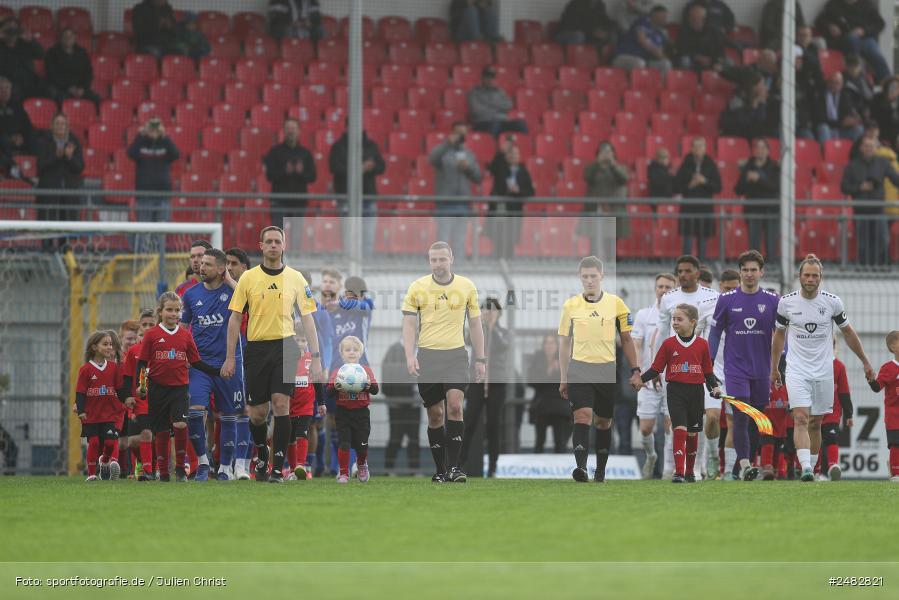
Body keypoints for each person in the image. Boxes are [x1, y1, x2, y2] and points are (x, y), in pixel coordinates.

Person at [221, 226, 323, 483]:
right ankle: (262, 452)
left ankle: (277, 467)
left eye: (278, 241)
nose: (274, 245)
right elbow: (235, 318)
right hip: (256, 349)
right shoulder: (248, 278)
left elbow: (308, 319)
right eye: (269, 241)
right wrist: (230, 356)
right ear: (262, 246)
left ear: (284, 246)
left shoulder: (297, 279)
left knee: (281, 404)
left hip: (286, 347)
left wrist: (316, 356)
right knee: (256, 413)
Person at [770, 254, 875, 482]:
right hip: (796, 369)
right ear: (799, 276)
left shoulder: (832, 302)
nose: (810, 279)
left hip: (823, 371)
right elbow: (778, 335)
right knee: (800, 418)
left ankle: (814, 468)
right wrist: (775, 366)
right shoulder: (786, 303)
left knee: (816, 422)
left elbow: (848, 333)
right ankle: (806, 467)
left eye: (814, 275)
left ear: (821, 278)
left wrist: (865, 360)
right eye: (806, 275)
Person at [402, 241, 486, 483]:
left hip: (456, 355)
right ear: (429, 261)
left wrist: (481, 359)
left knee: (455, 407)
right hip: (428, 356)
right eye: (433, 260)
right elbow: (409, 324)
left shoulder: (466, 286)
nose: (438, 264)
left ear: (451, 259)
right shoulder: (417, 287)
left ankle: (455, 468)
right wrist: (410, 355)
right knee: (436, 414)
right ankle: (440, 470)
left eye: (442, 259)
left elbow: (476, 324)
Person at [559, 256, 640, 483]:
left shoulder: (617, 304)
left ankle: (601, 470)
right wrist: (564, 377)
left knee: (603, 422)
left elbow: (626, 339)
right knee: (582, 416)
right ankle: (581, 468)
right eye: (585, 276)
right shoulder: (570, 305)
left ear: (602, 276)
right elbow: (564, 343)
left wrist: (635, 369)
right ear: (580, 278)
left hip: (606, 370)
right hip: (579, 368)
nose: (589, 280)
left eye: (593, 276)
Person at [707, 251, 780, 480]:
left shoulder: (772, 300)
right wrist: (708, 361)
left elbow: (781, 334)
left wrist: (780, 362)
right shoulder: (727, 299)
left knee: (756, 417)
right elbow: (716, 331)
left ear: (761, 272)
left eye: (753, 270)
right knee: (740, 415)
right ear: (740, 272)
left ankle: (747, 463)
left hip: (762, 369)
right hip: (735, 369)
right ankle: (746, 464)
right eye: (745, 270)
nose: (749, 274)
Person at [137, 292, 221, 482]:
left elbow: (196, 361)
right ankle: (163, 472)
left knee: (181, 424)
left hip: (180, 388)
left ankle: (180, 468)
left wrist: (217, 371)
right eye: (169, 310)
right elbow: (142, 363)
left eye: (177, 310)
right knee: (162, 430)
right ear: (160, 311)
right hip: (157, 388)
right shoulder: (151, 335)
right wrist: (141, 386)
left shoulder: (185, 335)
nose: (174, 314)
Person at [636, 303, 722, 483]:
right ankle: (679, 472)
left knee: (692, 433)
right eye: (673, 319)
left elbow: (707, 372)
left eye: (679, 319)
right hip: (675, 392)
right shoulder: (668, 344)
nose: (674, 322)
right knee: (679, 430)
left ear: (692, 322)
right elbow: (656, 368)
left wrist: (714, 387)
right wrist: (640, 379)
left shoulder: (702, 345)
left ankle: (690, 472)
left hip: (696, 393)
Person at [180, 249, 245, 481]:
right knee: (195, 413)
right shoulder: (190, 295)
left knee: (228, 416)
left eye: (207, 264)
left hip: (228, 363)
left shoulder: (233, 291)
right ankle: (203, 462)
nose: (201, 267)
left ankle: (226, 467)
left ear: (220, 268)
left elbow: (252, 300)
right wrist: (183, 357)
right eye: (201, 263)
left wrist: (229, 279)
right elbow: (184, 328)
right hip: (199, 366)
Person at [657, 255, 719, 478]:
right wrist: (658, 366)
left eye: (687, 271)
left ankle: (699, 467)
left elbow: (717, 334)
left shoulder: (713, 297)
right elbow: (663, 332)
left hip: (704, 366)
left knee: (701, 420)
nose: (683, 275)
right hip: (675, 368)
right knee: (674, 420)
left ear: (697, 273)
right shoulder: (669, 298)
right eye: (680, 271)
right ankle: (671, 468)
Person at [632, 273, 676, 478]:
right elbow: (637, 345)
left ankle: (669, 468)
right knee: (645, 428)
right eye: (660, 286)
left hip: (672, 379)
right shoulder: (644, 315)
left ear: (674, 290)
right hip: (649, 379)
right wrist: (639, 371)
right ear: (655, 289)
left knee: (671, 425)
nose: (664, 290)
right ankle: (651, 456)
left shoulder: (679, 316)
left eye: (668, 287)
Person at [460, 297, 510, 477]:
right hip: (478, 382)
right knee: (470, 422)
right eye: (486, 311)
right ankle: (460, 463)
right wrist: (480, 326)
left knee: (493, 425)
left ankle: (493, 467)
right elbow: (467, 339)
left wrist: (492, 327)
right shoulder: (476, 331)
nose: (489, 314)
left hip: (497, 384)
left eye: (492, 311)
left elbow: (502, 345)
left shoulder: (503, 332)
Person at [75, 331, 129, 481]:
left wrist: (127, 399)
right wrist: (81, 410)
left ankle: (104, 460)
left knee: (111, 442)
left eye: (110, 344)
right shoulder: (85, 369)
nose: (109, 347)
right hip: (92, 415)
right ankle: (92, 473)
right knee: (94, 442)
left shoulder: (114, 368)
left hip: (109, 414)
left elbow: (119, 389)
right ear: (94, 347)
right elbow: (80, 392)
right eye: (105, 344)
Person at [840, 136, 899, 266]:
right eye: (866, 146)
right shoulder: (852, 165)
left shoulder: (883, 163)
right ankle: (863, 268)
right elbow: (844, 187)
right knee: (863, 243)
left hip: (878, 210)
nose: (869, 149)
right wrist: (859, 187)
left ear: (876, 148)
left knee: (883, 239)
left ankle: (881, 268)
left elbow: (896, 180)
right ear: (861, 148)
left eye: (872, 146)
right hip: (860, 211)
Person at [327, 126, 385, 256]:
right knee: (348, 237)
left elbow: (382, 166)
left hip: (368, 196)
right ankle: (349, 263)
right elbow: (334, 167)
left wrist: (371, 167)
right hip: (346, 196)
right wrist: (358, 168)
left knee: (368, 237)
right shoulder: (339, 146)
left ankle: (367, 265)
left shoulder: (371, 146)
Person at [327, 336, 378, 483]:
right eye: (348, 350)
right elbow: (329, 392)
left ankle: (361, 464)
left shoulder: (366, 370)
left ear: (360, 353)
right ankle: (343, 473)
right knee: (344, 443)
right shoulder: (338, 372)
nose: (351, 352)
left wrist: (369, 385)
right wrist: (335, 387)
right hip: (343, 413)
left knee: (362, 446)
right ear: (342, 353)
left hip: (361, 413)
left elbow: (375, 390)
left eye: (355, 350)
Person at [429, 122, 482, 259]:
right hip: (445, 202)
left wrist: (468, 168)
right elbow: (432, 159)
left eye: (463, 133)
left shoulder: (469, 154)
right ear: (452, 133)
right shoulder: (443, 152)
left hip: (463, 203)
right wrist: (447, 144)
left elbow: (478, 177)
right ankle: (441, 271)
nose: (461, 136)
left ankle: (459, 271)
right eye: (458, 132)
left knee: (460, 240)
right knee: (443, 240)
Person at [128, 117, 180, 250]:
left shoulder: (164, 142)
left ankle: (158, 260)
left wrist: (165, 136)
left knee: (160, 233)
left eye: (156, 127)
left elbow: (175, 154)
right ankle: (141, 261)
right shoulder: (141, 142)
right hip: (144, 196)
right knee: (143, 231)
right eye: (151, 127)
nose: (154, 130)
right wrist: (141, 134)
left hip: (163, 195)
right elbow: (131, 153)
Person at [223, 247, 253, 480]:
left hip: (252, 354)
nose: (229, 268)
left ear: (244, 266)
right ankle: (223, 464)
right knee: (225, 412)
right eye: (227, 263)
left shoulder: (254, 283)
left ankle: (243, 464)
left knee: (249, 410)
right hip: (227, 355)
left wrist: (233, 284)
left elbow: (253, 304)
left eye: (234, 263)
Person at [814, 0, 889, 83]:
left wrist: (863, 30)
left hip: (864, 38)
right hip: (842, 40)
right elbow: (819, 22)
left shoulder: (867, 4)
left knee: (875, 53)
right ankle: (858, 80)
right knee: (852, 41)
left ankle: (888, 83)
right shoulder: (833, 4)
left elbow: (880, 24)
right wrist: (830, 26)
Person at [122, 309, 157, 481]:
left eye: (152, 324)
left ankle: (150, 470)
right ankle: (144, 466)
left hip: (160, 399)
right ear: (139, 328)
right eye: (145, 325)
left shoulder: (162, 347)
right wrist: (128, 398)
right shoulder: (133, 351)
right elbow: (128, 377)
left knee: (154, 436)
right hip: (141, 400)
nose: (148, 327)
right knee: (134, 440)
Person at [263, 118, 316, 231]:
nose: (290, 131)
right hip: (279, 201)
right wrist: (285, 171)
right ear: (284, 131)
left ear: (299, 131)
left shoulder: (305, 153)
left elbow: (312, 176)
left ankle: (294, 250)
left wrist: (301, 172)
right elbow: (269, 175)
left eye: (293, 128)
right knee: (277, 235)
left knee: (297, 236)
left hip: (299, 201)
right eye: (288, 128)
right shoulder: (275, 152)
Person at [675, 137, 721, 261]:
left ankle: (700, 269)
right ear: (691, 148)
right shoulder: (686, 163)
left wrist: (704, 181)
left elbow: (718, 187)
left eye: (701, 146)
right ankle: (685, 268)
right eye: (695, 146)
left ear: (705, 148)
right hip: (688, 208)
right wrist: (690, 185)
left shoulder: (710, 164)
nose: (698, 149)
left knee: (702, 242)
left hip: (704, 209)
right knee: (688, 242)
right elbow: (676, 186)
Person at [288, 333, 327, 480]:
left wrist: (321, 402)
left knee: (302, 433)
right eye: (297, 339)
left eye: (303, 339)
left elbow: (317, 383)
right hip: (289, 405)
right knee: (289, 437)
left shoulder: (311, 360)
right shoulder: (286, 358)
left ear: (307, 342)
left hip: (306, 406)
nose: (300, 342)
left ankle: (301, 465)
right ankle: (292, 470)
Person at [735, 139, 781, 261]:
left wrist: (759, 179)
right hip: (753, 209)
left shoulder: (774, 166)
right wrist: (747, 180)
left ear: (768, 151)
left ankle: (772, 270)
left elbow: (776, 186)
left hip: (771, 210)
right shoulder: (748, 166)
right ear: (754, 151)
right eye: (757, 148)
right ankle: (754, 270)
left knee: (771, 244)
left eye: (763, 148)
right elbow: (738, 189)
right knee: (754, 245)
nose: (760, 151)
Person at [486, 140, 534, 258]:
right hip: (500, 208)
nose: (513, 157)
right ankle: (497, 262)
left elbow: (530, 191)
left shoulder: (523, 172)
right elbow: (492, 168)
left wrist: (519, 191)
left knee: (511, 238)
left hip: (515, 210)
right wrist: (500, 153)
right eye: (511, 154)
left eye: (516, 154)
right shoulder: (501, 169)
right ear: (506, 156)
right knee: (498, 236)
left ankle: (509, 263)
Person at [35, 113, 84, 224]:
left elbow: (80, 168)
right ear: (52, 126)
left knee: (66, 228)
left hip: (69, 193)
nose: (60, 126)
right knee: (46, 226)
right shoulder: (44, 142)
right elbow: (40, 166)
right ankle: (47, 242)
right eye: (57, 123)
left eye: (63, 124)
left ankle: (65, 242)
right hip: (48, 193)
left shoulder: (74, 142)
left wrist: (70, 157)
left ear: (67, 126)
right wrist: (56, 157)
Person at [382, 340, 421, 473]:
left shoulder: (421, 350)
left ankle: (414, 470)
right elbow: (386, 374)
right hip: (396, 404)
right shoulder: (394, 350)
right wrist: (391, 397)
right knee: (395, 437)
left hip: (415, 404)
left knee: (414, 438)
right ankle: (388, 469)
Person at [816, 339, 853, 480]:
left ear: (833, 347)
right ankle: (818, 472)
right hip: (814, 412)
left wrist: (849, 414)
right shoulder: (812, 364)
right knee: (816, 443)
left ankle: (832, 467)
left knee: (830, 438)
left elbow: (844, 392)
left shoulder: (839, 366)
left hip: (832, 412)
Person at [583, 141, 629, 248]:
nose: (606, 155)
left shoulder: (620, 167)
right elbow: (587, 177)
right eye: (602, 152)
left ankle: (610, 262)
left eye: (609, 152)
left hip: (614, 209)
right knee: (594, 241)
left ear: (613, 154)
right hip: (595, 209)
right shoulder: (592, 168)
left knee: (611, 242)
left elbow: (624, 179)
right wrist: (597, 163)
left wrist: (613, 165)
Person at [528, 334, 569, 454]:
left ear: (557, 346)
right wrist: (548, 372)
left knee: (560, 441)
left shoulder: (563, 359)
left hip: (560, 405)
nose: (549, 346)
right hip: (542, 404)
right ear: (543, 346)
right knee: (539, 441)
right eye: (547, 343)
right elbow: (531, 381)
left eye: (552, 343)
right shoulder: (537, 360)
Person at [867, 330, 899, 482]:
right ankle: (896, 474)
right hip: (894, 414)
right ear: (893, 347)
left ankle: (892, 466)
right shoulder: (888, 368)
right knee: (895, 443)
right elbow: (877, 387)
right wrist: (871, 380)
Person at [45, 28, 100, 107]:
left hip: (80, 89)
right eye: (65, 36)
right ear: (61, 39)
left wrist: (82, 88)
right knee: (61, 100)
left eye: (70, 36)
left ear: (74, 38)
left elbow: (88, 73)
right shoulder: (52, 53)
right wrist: (69, 88)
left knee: (97, 100)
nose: (68, 39)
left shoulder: (82, 53)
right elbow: (52, 75)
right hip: (61, 88)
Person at [468, 67, 529, 138]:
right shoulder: (474, 92)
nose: (490, 80)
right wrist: (499, 109)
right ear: (482, 78)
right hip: (483, 122)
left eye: (492, 77)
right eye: (487, 77)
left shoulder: (499, 91)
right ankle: (491, 147)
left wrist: (490, 105)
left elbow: (509, 105)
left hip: (502, 122)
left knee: (520, 123)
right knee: (495, 124)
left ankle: (524, 146)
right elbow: (476, 111)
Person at [613, 5, 672, 75]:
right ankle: (638, 85)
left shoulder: (660, 34)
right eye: (663, 16)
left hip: (644, 61)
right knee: (640, 63)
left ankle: (659, 85)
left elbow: (659, 53)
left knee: (666, 63)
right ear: (654, 15)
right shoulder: (643, 21)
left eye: (666, 16)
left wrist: (663, 57)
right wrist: (654, 49)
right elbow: (641, 39)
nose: (665, 19)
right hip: (624, 57)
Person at [0, 17, 47, 101]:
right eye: (8, 29)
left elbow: (41, 55)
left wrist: (31, 40)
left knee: (46, 89)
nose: (11, 33)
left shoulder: (24, 44)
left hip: (28, 79)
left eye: (14, 29)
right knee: (14, 92)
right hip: (9, 81)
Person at [814, 72, 864, 144]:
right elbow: (820, 119)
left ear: (841, 85)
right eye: (832, 82)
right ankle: (827, 153)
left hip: (841, 131)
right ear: (827, 83)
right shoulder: (820, 95)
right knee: (823, 128)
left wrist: (853, 120)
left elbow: (849, 112)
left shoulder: (845, 96)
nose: (834, 85)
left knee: (859, 129)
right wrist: (841, 123)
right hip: (828, 130)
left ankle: (854, 153)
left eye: (837, 83)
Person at [676, 4, 726, 72]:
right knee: (684, 61)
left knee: (729, 62)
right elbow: (681, 50)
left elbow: (720, 51)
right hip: (693, 60)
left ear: (703, 19)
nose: (691, 19)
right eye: (690, 17)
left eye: (694, 18)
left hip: (711, 60)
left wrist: (717, 62)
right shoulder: (683, 32)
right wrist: (698, 58)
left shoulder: (714, 32)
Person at [0, 76, 34, 163]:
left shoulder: (17, 106)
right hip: (3, 139)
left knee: (36, 139)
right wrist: (10, 138)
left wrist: (22, 136)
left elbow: (27, 125)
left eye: (7, 88)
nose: (5, 91)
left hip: (18, 138)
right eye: (1, 88)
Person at [872, 76, 899, 149]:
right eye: (893, 86)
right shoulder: (878, 98)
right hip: (881, 133)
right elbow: (878, 117)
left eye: (897, 87)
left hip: (895, 135)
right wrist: (889, 100)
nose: (895, 89)